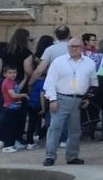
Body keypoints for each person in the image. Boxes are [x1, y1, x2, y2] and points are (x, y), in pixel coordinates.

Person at [41, 37, 95, 166]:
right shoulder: (58, 62)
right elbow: (50, 82)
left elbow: (93, 82)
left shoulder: (89, 63)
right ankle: (50, 156)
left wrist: (88, 98)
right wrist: (52, 99)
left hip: (79, 100)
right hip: (61, 98)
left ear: (82, 47)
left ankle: (72, 156)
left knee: (75, 130)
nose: (74, 48)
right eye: (71, 46)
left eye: (77, 46)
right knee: (55, 128)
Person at [0, 66, 27, 153]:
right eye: (10, 73)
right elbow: (13, 95)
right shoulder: (7, 83)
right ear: (5, 74)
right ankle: (7, 146)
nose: (13, 74)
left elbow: (18, 88)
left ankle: (12, 143)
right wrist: (24, 95)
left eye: (14, 72)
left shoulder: (12, 82)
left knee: (14, 127)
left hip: (14, 108)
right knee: (10, 128)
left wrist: (25, 79)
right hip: (10, 108)